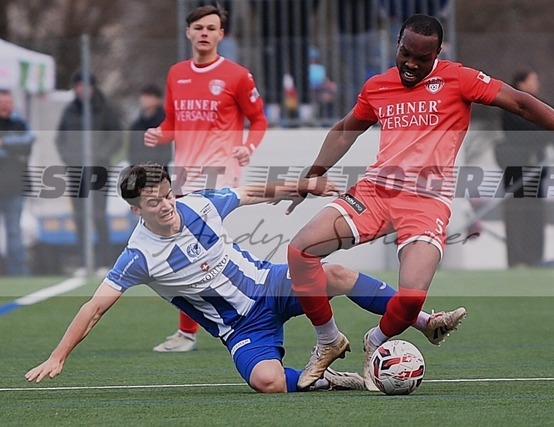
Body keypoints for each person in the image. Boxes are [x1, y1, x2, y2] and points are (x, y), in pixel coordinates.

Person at [284, 14, 554, 390]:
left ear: (438, 54)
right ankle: (328, 341)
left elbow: (522, 104)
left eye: (422, 58)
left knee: (411, 300)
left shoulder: (459, 79)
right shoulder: (377, 86)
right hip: (376, 192)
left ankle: (375, 341)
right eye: (405, 53)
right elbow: (344, 130)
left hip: (427, 202)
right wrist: (313, 173)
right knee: (301, 250)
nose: (411, 64)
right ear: (397, 44)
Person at [24, 163, 464, 393]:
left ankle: (426, 322)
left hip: (270, 285)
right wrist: (59, 356)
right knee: (266, 382)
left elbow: (251, 192)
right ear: (136, 210)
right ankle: (329, 379)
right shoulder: (139, 255)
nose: (166, 205)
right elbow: (95, 307)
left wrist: (304, 186)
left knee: (336, 273)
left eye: (167, 195)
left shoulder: (199, 204)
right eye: (153, 202)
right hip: (240, 327)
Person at [144, 4, 268, 352]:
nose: (204, 33)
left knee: (192, 249)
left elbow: (259, 120)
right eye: (198, 27)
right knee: (195, 252)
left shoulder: (237, 75)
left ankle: (193, 331)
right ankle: (244, 308)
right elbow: (173, 123)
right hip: (183, 176)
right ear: (188, 32)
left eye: (211, 28)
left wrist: (248, 147)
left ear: (220, 35)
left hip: (219, 173)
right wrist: (160, 134)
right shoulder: (176, 74)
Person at [55, 71, 122, 269]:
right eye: (78, 86)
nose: (82, 90)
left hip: (99, 169)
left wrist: (100, 156)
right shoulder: (69, 111)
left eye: (85, 85)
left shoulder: (105, 109)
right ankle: (85, 262)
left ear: (93, 87)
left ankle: (106, 261)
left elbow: (116, 137)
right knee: (79, 216)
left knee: (98, 215)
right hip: (76, 170)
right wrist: (70, 158)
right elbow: (60, 139)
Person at [498, 69, 548, 267]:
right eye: (533, 80)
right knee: (516, 214)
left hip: (536, 169)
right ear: (521, 84)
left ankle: (535, 256)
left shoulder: (541, 106)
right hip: (516, 169)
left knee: (536, 213)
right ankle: (516, 258)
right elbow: (519, 134)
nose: (537, 83)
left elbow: (547, 132)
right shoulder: (510, 106)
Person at [0, 89, 35, 276]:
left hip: (15, 186)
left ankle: (18, 274)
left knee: (14, 232)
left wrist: (5, 143)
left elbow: (29, 141)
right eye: (1, 102)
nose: (4, 106)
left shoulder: (19, 124)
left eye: (8, 102)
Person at [127, 84, 171, 167]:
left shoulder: (165, 123)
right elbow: (132, 151)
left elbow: (167, 152)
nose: (145, 99)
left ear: (158, 100)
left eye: (149, 96)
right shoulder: (136, 125)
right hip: (140, 169)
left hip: (159, 169)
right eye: (144, 96)